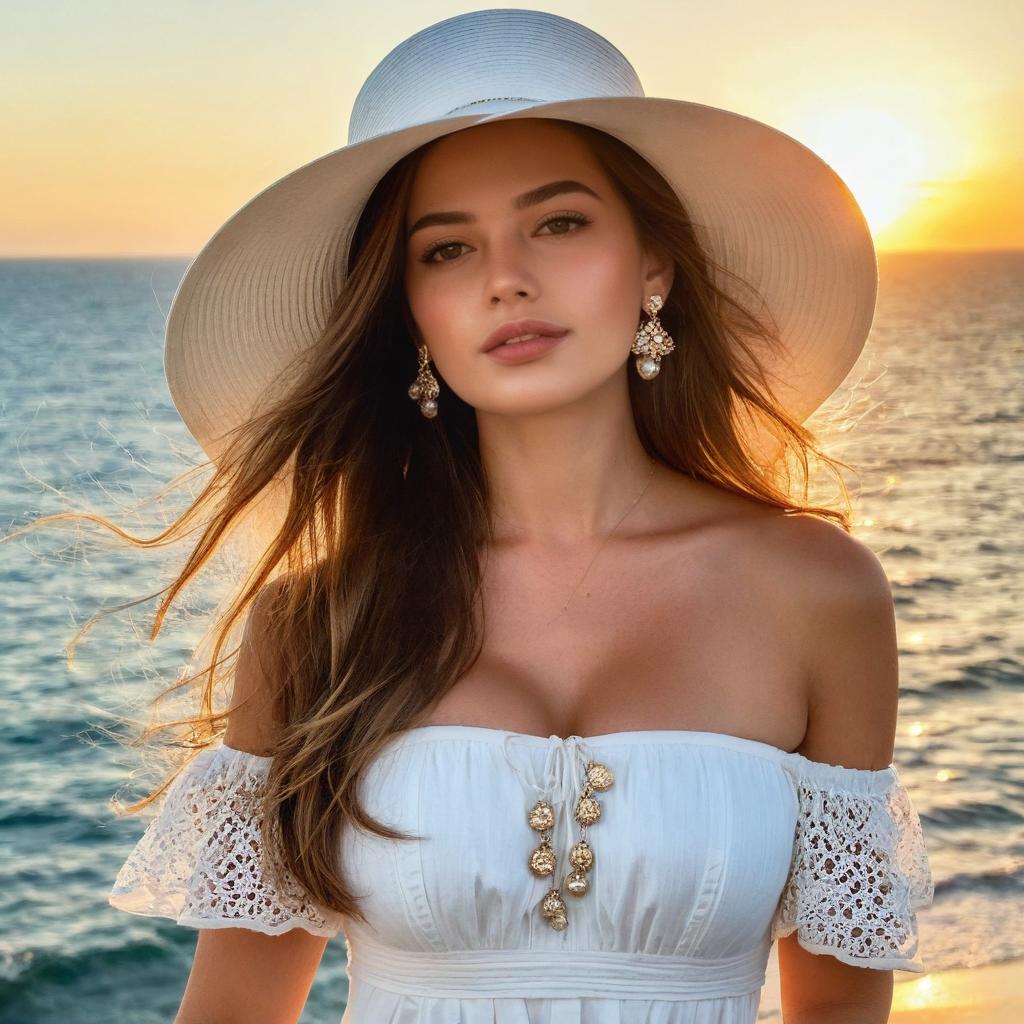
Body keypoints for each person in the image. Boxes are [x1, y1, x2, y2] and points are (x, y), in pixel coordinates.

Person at [95, 9, 933, 1023]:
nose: (506, 278)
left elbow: (841, 1007)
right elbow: (232, 1010)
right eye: (447, 250)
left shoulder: (817, 592)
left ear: (653, 267)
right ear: (410, 309)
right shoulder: (319, 621)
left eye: (561, 222)